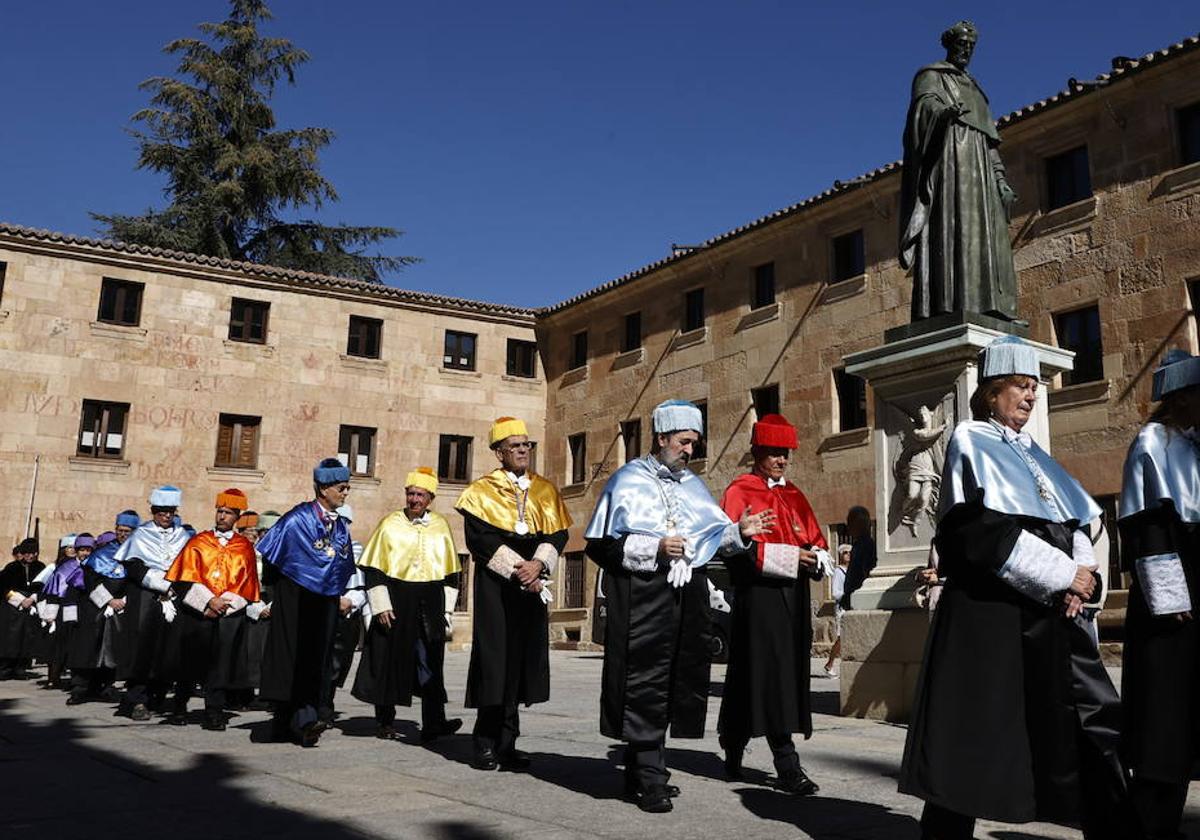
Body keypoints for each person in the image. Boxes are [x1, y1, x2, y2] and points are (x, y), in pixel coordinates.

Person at [899, 335, 1135, 840]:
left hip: (1051, 617)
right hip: (990, 618)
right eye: (1020, 387)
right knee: (973, 736)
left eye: (1034, 388)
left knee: (1089, 723)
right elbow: (971, 530)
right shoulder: (969, 437)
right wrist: (1059, 574)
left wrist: (1083, 573)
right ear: (991, 393)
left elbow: (1075, 523)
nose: (1030, 397)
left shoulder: (1037, 454)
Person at [584, 400, 771, 813]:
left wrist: (739, 531)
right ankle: (650, 776)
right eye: (684, 442)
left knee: (673, 680)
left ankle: (644, 768)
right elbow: (601, 545)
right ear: (662, 438)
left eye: (694, 443)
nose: (689, 451)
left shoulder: (692, 485)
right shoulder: (627, 480)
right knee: (645, 681)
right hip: (643, 598)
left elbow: (712, 535)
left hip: (687, 597)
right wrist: (655, 547)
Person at [717, 413, 832, 796]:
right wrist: (788, 557)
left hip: (795, 600)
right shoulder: (739, 491)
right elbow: (731, 549)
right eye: (774, 453)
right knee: (767, 675)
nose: (782, 459)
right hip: (759, 598)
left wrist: (816, 556)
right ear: (757, 452)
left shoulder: (795, 493)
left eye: (785, 453)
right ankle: (786, 763)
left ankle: (732, 746)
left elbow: (814, 540)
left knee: (762, 676)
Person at [455, 417, 571, 772]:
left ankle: (508, 742)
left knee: (521, 662)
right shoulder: (480, 491)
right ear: (499, 452)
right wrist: (522, 571)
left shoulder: (545, 489)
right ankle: (485, 741)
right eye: (515, 446)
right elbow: (481, 540)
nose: (523, 450)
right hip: (497, 585)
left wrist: (538, 565)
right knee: (495, 662)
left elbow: (558, 535)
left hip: (533, 584)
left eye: (527, 445)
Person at [1118, 349, 1200, 839]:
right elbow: (1145, 528)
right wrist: (1171, 598)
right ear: (1183, 398)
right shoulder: (1152, 442)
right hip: (1172, 608)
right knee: (1164, 727)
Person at [899, 20, 1020, 323]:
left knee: (987, 237)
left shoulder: (977, 92)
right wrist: (942, 114)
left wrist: (1001, 180)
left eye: (971, 46)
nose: (966, 50)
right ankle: (946, 304)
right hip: (949, 167)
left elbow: (990, 142)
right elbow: (921, 112)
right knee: (953, 231)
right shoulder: (931, 76)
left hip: (980, 172)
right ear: (949, 45)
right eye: (961, 44)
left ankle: (991, 307)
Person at [353, 467, 463, 742]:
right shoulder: (389, 523)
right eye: (410, 494)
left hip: (431, 603)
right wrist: (380, 605)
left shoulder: (441, 525)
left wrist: (447, 611)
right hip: (396, 601)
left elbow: (451, 573)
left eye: (420, 495)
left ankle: (434, 722)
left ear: (430, 498)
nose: (414, 499)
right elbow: (374, 569)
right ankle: (385, 721)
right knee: (388, 660)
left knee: (431, 663)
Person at [256, 459, 355, 746]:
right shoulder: (297, 518)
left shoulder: (338, 525)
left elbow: (341, 560)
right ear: (324, 488)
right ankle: (296, 720)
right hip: (295, 600)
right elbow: (273, 559)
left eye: (347, 487)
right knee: (292, 658)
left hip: (323, 601)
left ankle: (303, 717)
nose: (345, 493)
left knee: (317, 659)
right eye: (341, 487)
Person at [164, 488, 261, 731]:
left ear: (236, 516)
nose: (222, 517)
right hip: (198, 613)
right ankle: (179, 705)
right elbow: (184, 578)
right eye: (220, 511)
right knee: (190, 661)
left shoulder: (244, 547)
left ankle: (214, 711)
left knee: (221, 663)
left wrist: (222, 606)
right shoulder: (198, 542)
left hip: (227, 615)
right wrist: (207, 602)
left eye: (228, 513)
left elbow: (247, 583)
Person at [113, 486, 190, 720]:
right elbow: (133, 566)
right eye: (162, 512)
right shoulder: (141, 534)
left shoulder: (182, 535)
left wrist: (174, 585)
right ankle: (137, 698)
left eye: (170, 512)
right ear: (154, 511)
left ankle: (158, 694)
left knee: (167, 648)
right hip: (147, 596)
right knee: (141, 647)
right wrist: (160, 583)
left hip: (174, 597)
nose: (166, 516)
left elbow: (189, 564)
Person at [68, 525, 131, 705]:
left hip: (121, 608)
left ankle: (106, 687)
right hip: (95, 607)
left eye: (128, 531)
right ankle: (80, 688)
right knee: (88, 647)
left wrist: (124, 600)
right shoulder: (101, 554)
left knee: (112, 650)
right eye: (120, 530)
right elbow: (90, 581)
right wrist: (108, 600)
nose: (123, 534)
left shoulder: (136, 552)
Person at [319, 504, 367, 725]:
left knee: (337, 666)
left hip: (346, 614)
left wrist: (351, 600)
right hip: (323, 609)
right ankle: (320, 709)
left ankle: (325, 705)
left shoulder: (356, 549)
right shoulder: (320, 546)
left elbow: (362, 584)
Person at [0, 537, 46, 680]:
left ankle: (21, 668)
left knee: (27, 637)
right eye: (27, 553)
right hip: (13, 609)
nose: (30, 556)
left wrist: (32, 599)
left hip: (31, 606)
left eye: (33, 553)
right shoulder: (11, 567)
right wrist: (20, 600)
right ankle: (5, 667)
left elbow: (44, 587)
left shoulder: (41, 567)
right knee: (10, 638)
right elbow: (3, 587)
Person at [841, 506, 876, 609]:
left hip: (860, 599)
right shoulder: (857, 545)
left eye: (850, 523)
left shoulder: (866, 545)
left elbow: (866, 572)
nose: (848, 527)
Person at [825, 544, 852, 676]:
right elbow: (835, 593)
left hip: (849, 607)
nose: (848, 555)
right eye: (846, 552)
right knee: (841, 637)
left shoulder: (851, 571)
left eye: (850, 552)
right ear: (841, 555)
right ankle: (829, 664)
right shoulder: (838, 571)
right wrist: (847, 593)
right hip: (841, 608)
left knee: (848, 637)